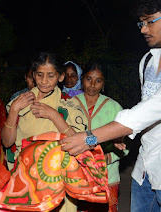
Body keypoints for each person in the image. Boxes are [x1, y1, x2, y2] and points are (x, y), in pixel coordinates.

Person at [60, 0, 161, 211]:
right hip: (144, 170)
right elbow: (144, 113)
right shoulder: (147, 62)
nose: (143, 29)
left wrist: (91, 137)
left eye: (150, 21)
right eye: (140, 23)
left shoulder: (111, 105)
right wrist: (122, 135)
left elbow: (153, 108)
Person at [1, 51, 89, 212]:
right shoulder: (19, 103)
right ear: (33, 75)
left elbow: (79, 141)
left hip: (58, 180)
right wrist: (13, 111)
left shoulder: (69, 105)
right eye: (40, 75)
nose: (44, 81)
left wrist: (54, 116)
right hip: (25, 180)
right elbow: (7, 142)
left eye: (51, 76)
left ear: (60, 77)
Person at [73, 63, 128, 212]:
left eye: (98, 80)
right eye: (88, 79)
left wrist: (107, 158)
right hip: (77, 175)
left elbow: (125, 145)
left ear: (104, 83)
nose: (92, 85)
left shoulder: (114, 108)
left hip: (107, 176)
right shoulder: (70, 105)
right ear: (82, 79)